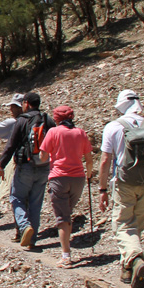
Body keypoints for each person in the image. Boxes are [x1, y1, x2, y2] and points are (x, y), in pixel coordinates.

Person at [98, 89, 144, 288]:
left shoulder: (113, 127)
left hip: (125, 183)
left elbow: (105, 161)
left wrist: (102, 189)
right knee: (136, 226)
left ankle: (136, 259)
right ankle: (127, 269)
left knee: (122, 226)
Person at [38, 105, 94, 268]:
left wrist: (51, 159)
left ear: (56, 118)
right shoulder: (80, 133)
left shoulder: (53, 132)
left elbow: (42, 157)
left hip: (59, 178)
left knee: (63, 218)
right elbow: (89, 159)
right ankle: (66, 250)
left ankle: (66, 256)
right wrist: (89, 174)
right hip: (78, 179)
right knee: (67, 213)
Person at [0, 91, 54, 250]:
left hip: (25, 166)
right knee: (36, 203)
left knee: (16, 198)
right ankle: (32, 239)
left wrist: (1, 166)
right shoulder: (47, 120)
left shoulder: (22, 121)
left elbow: (11, 145)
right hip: (44, 166)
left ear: (27, 103)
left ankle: (24, 226)